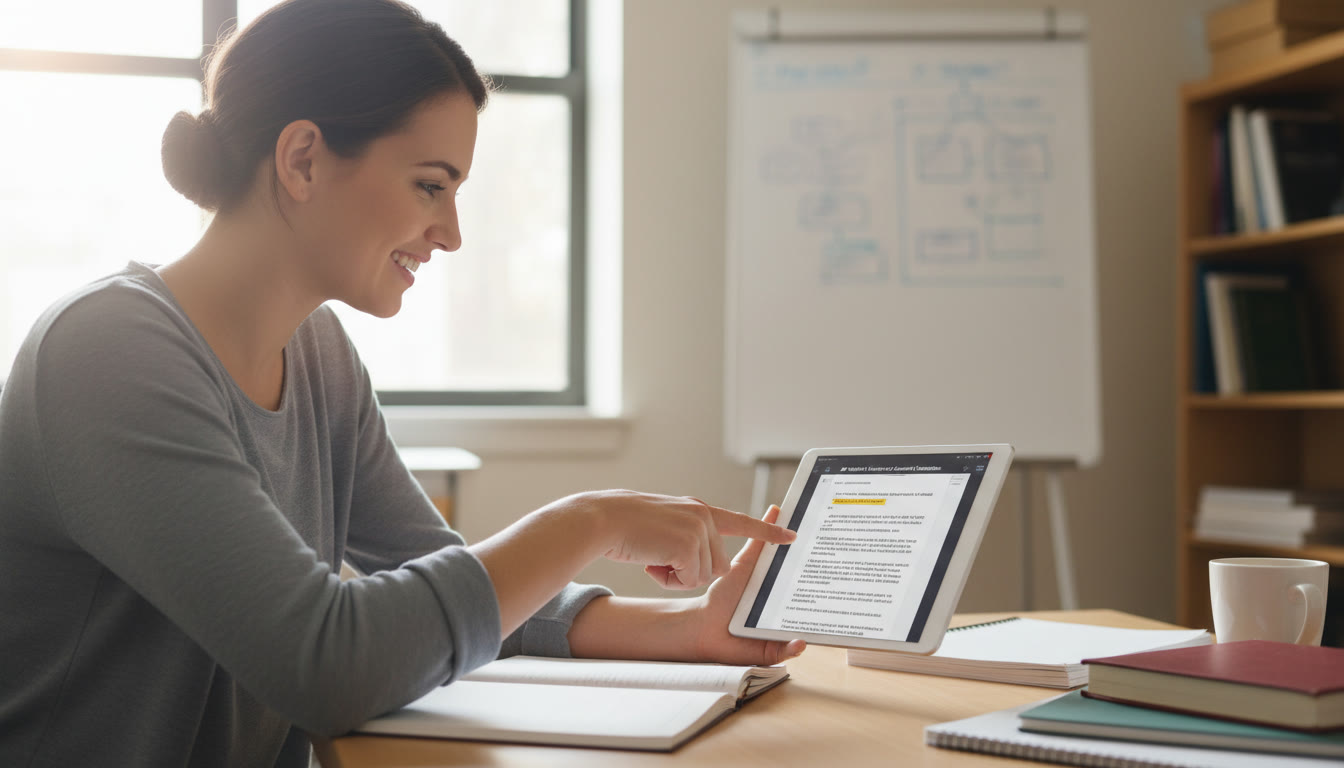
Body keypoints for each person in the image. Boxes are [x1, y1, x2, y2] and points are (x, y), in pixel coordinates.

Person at [0, 1, 804, 765]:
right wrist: (585, 522)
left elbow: (441, 601)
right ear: (303, 158)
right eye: (430, 185)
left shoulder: (317, 354)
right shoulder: (108, 352)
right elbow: (329, 662)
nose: (450, 234)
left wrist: (689, 628)